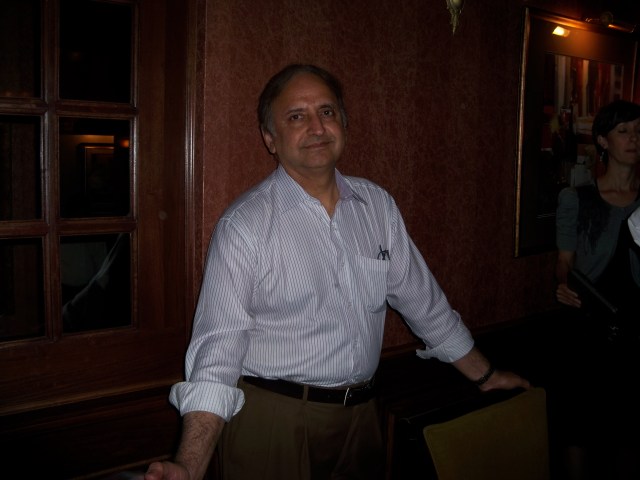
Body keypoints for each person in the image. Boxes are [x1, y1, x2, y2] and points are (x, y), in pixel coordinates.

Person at [144, 64, 530, 480]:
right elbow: (217, 351)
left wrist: (486, 375)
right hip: (275, 424)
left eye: (326, 112)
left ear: (344, 124)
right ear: (270, 138)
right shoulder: (245, 226)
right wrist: (190, 463)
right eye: (297, 116)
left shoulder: (378, 207)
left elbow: (426, 305)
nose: (317, 127)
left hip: (363, 416)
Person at [554, 99, 640, 480]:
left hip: (634, 332)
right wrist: (562, 283)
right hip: (587, 327)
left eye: (639, 131)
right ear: (603, 141)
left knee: (629, 430)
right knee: (578, 426)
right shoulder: (578, 199)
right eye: (624, 131)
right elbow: (564, 261)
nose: (634, 139)